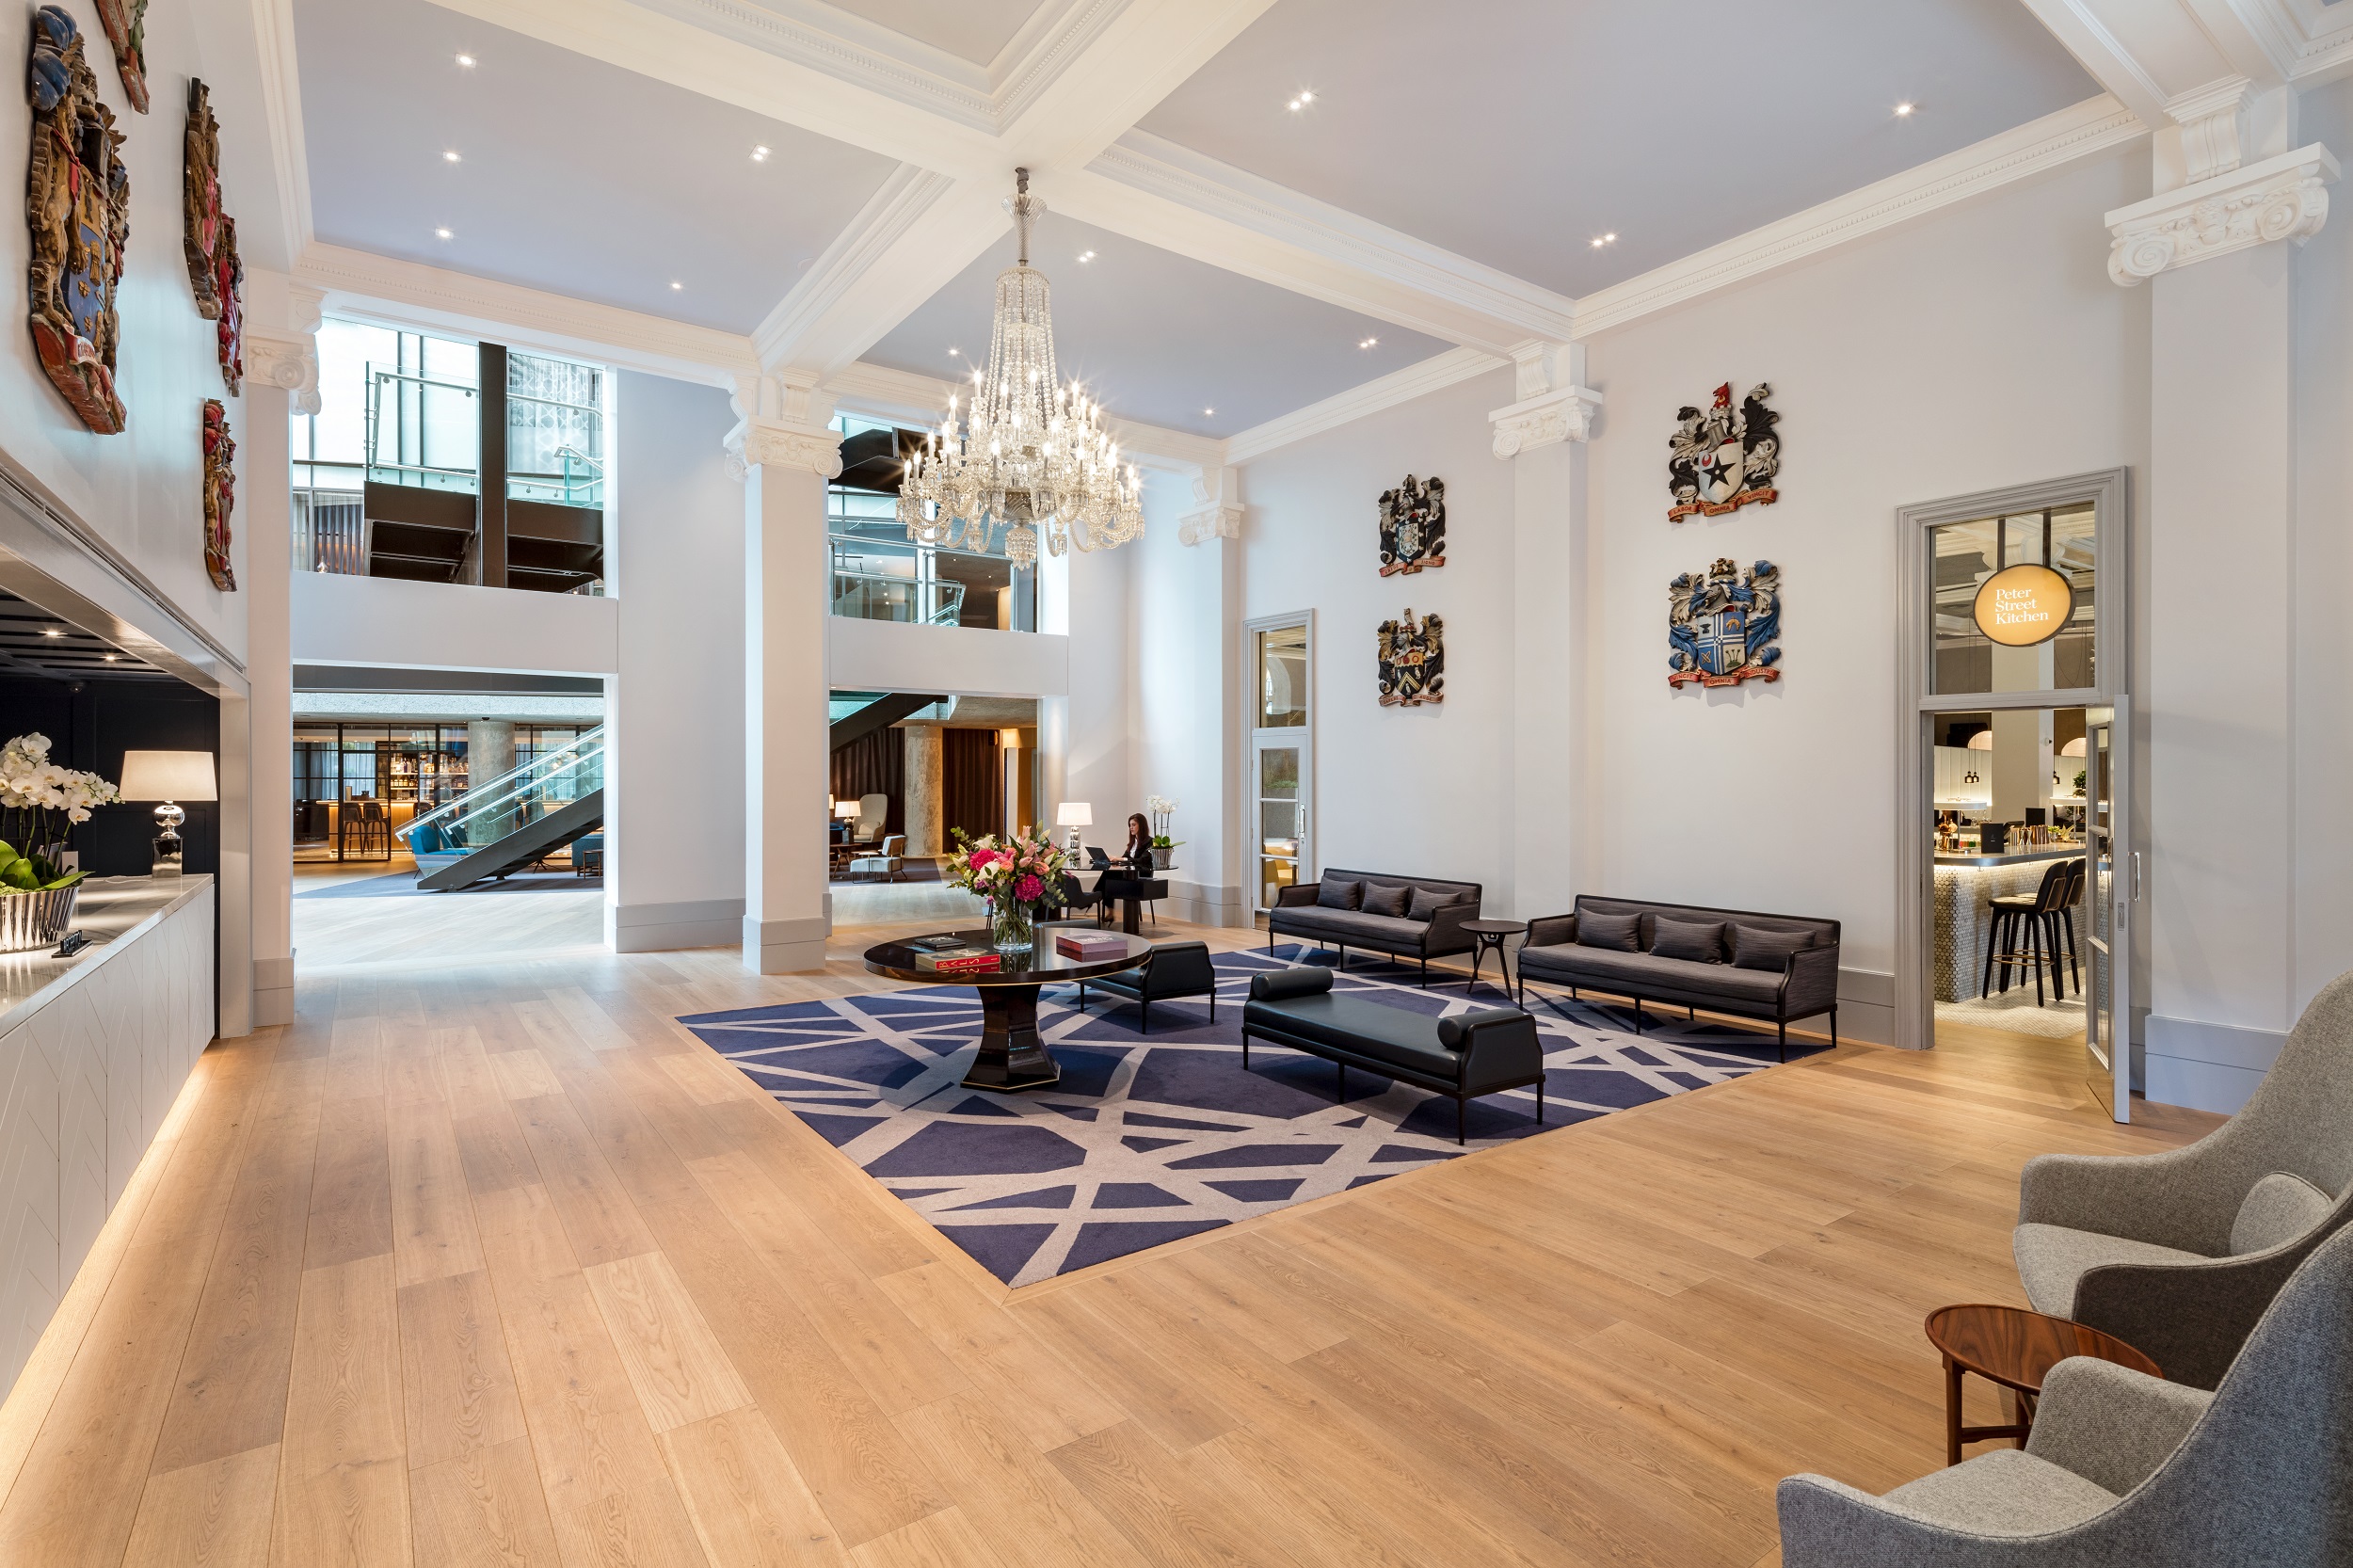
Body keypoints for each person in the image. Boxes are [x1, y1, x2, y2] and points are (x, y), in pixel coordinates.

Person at [1122, 811, 1156, 876]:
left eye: (1133, 825)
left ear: (1141, 826)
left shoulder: (1151, 841)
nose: (1131, 828)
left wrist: (1122, 859)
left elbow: (1142, 861)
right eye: (1130, 825)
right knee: (1108, 875)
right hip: (1131, 874)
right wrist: (1113, 859)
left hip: (1142, 875)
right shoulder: (1133, 843)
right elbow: (1125, 857)